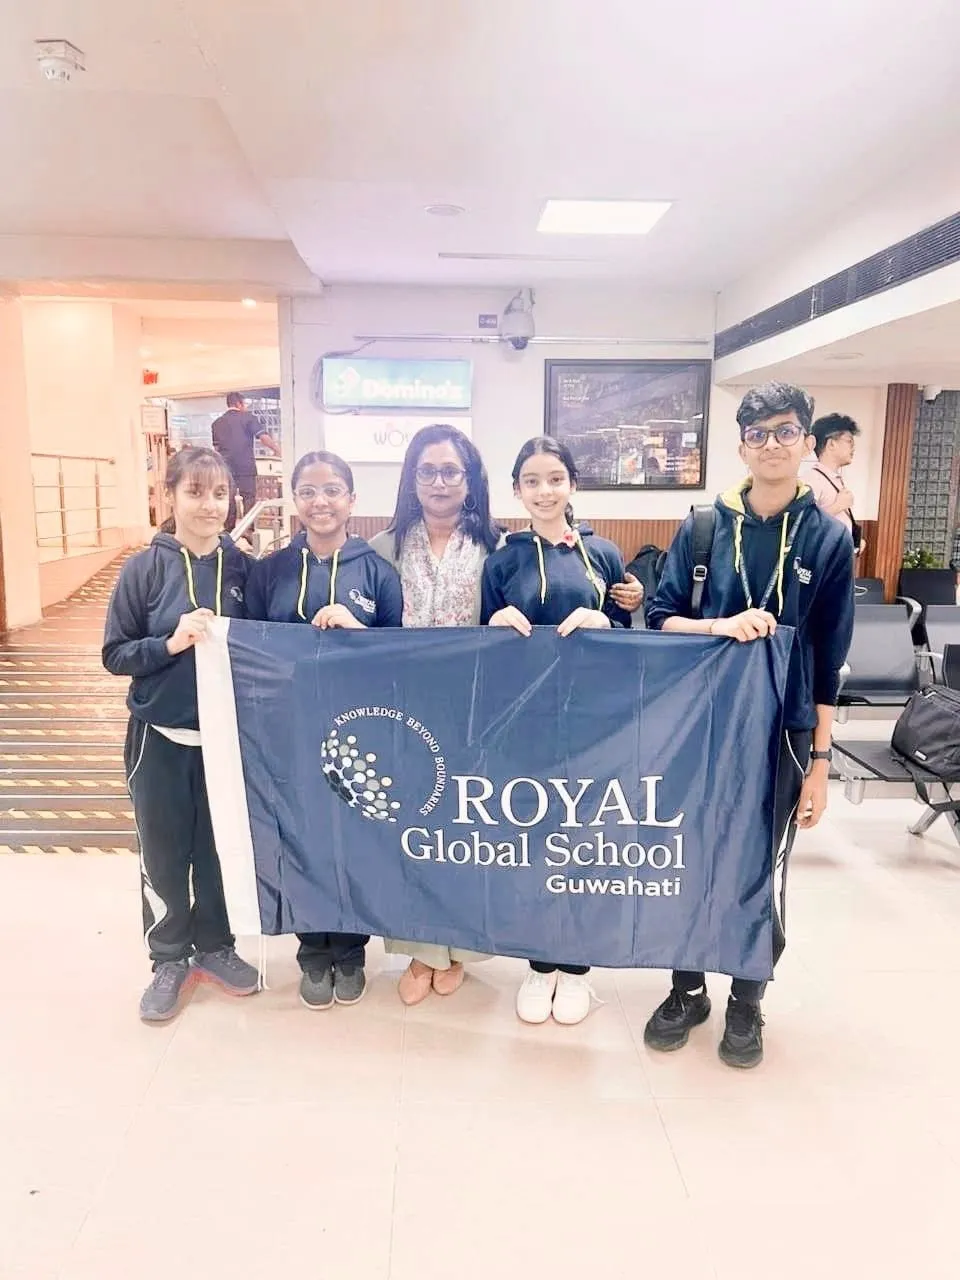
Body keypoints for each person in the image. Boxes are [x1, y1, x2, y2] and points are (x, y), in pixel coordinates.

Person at [372, 424, 645, 1005]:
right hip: (407, 706)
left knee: (470, 833)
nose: (440, 481)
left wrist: (626, 602)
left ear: (472, 480)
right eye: (427, 470)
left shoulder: (494, 545)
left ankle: (465, 948)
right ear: (411, 478)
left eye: (452, 470)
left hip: (483, 711)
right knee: (415, 832)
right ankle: (421, 950)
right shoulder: (384, 546)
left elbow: (609, 618)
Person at [644, 382, 854, 1068]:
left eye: (786, 432)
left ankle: (746, 999)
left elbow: (829, 658)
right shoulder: (704, 526)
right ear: (741, 447)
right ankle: (687, 990)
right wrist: (719, 626)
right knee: (686, 859)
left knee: (757, 869)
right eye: (758, 434)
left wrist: (820, 762)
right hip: (697, 729)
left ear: (806, 443)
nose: (771, 445)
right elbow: (660, 619)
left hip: (782, 733)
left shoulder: (828, 536)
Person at [480, 435, 633, 1028]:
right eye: (532, 481)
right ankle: (539, 964)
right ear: (517, 491)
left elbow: (631, 639)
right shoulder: (502, 561)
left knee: (586, 843)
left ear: (572, 484)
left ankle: (576, 969)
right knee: (534, 843)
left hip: (593, 722)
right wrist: (494, 623)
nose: (544, 491)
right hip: (527, 724)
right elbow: (480, 648)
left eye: (555, 479)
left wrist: (608, 621)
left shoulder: (605, 554)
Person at [103, 447, 259, 1023]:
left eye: (219, 493)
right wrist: (170, 643)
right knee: (164, 852)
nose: (209, 505)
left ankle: (216, 946)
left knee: (219, 850)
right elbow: (115, 654)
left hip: (225, 741)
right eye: (195, 492)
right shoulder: (142, 570)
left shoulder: (243, 570)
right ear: (169, 496)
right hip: (159, 737)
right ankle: (168, 958)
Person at [246, 450, 403, 1010]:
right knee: (302, 837)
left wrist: (357, 631)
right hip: (289, 730)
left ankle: (352, 949)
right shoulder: (270, 571)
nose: (321, 502)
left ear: (352, 499)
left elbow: (397, 657)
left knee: (353, 840)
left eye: (333, 490)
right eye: (308, 491)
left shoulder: (378, 571)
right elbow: (252, 648)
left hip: (357, 732)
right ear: (295, 500)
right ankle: (313, 950)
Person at [211, 392, 280, 532]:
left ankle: (229, 531)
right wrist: (278, 450)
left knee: (228, 498)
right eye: (245, 404)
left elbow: (216, 449)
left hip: (226, 468)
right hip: (246, 466)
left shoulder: (217, 423)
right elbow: (263, 437)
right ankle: (248, 530)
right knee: (248, 498)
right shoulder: (248, 418)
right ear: (239, 404)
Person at [801, 413, 865, 558]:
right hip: (820, 564)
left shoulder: (835, 479)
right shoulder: (812, 479)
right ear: (831, 444)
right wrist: (837, 506)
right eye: (849, 441)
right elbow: (803, 525)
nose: (853, 448)